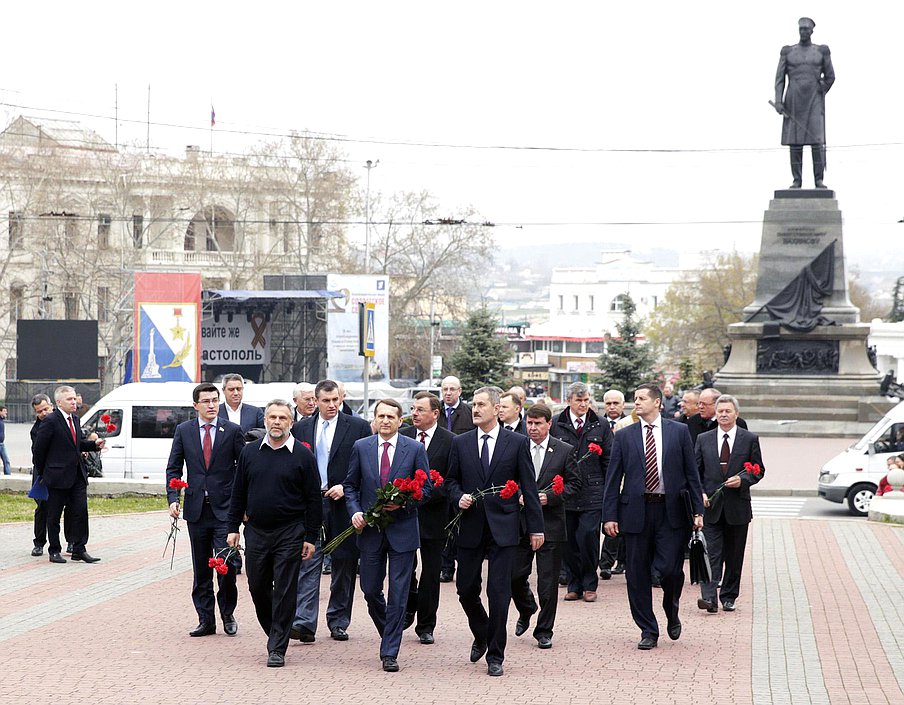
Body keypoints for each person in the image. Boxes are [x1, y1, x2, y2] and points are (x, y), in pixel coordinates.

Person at [445, 386, 545, 677]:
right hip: (471, 526)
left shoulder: (516, 443)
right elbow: (450, 481)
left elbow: (528, 486)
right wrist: (458, 496)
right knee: (465, 589)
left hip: (504, 528)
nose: (475, 409)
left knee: (498, 592)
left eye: (481, 405)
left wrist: (536, 528)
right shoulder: (460, 443)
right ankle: (483, 632)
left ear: (496, 409)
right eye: (473, 405)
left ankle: (496, 655)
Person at [603, 383, 704, 650]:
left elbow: (691, 473)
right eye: (634, 398)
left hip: (671, 512)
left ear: (657, 402)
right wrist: (609, 516)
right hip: (636, 512)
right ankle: (648, 629)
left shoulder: (679, 432)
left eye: (641, 398)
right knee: (636, 574)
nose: (636, 402)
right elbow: (613, 480)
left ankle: (671, 610)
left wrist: (697, 510)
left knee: (670, 570)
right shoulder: (625, 436)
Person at [227, 400, 322, 667]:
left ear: (291, 423)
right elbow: (238, 492)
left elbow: (314, 499)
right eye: (272, 417)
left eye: (282, 417)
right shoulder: (250, 453)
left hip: (291, 531)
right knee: (257, 585)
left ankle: (277, 646)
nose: (277, 422)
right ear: (265, 421)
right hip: (256, 530)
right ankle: (276, 630)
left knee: (285, 587)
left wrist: (310, 537)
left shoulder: (303, 455)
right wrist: (232, 527)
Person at [344, 399, 432, 672]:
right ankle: (389, 631)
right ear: (374, 419)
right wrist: (355, 511)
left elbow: (426, 489)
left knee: (399, 591)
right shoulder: (362, 447)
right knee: (370, 589)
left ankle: (389, 651)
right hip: (370, 531)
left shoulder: (414, 449)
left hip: (402, 531)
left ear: (400, 420)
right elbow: (350, 485)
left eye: (390, 417)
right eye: (380, 416)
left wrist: (404, 503)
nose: (385, 421)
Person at [290, 379, 372, 643]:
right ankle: (304, 622)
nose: (332, 405)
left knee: (344, 563)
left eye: (336, 400)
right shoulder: (302, 428)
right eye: (326, 401)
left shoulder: (357, 427)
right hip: (311, 504)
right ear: (315, 401)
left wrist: (345, 486)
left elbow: (364, 465)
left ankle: (338, 620)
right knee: (308, 560)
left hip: (342, 502)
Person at [166, 383, 245, 637]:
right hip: (197, 510)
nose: (211, 405)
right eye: (206, 401)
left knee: (226, 566)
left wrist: (242, 505)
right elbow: (174, 467)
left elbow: (244, 470)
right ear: (195, 405)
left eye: (215, 400)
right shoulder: (184, 431)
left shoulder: (231, 430)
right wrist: (172, 498)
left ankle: (227, 614)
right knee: (201, 568)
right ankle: (205, 618)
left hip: (225, 511)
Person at [511, 403, 579, 649]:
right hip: (521, 523)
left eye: (538, 423)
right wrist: (519, 493)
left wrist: (549, 497)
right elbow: (507, 477)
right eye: (529, 423)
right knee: (514, 575)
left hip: (551, 523)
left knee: (548, 583)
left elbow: (574, 484)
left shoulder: (563, 450)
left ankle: (544, 630)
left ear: (549, 424)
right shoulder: (517, 446)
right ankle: (527, 607)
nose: (533, 428)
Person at [696, 395, 764, 613]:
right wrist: (701, 494)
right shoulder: (703, 439)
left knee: (734, 556)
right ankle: (709, 598)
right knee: (711, 553)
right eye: (720, 411)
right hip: (711, 508)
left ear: (736, 414)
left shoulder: (749, 439)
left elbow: (758, 469)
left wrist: (743, 480)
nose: (723, 415)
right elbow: (695, 472)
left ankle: (728, 595)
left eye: (728, 411)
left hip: (737, 508)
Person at [399, 391, 454, 645]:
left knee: (431, 572)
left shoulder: (450, 441)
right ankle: (407, 609)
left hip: (434, 515)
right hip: (404, 515)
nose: (415, 413)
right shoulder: (404, 436)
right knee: (404, 569)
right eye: (413, 408)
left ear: (435, 413)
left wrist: (426, 493)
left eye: (420, 409)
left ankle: (426, 624)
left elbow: (452, 480)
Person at [550, 381, 611, 603]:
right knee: (569, 540)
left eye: (586, 400)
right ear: (569, 401)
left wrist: (607, 490)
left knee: (588, 536)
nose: (584, 405)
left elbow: (608, 459)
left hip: (593, 492)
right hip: (565, 492)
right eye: (579, 400)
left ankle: (589, 583)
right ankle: (574, 583)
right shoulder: (557, 423)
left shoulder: (600, 424)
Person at [33, 385, 105, 564]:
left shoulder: (75, 419)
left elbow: (76, 444)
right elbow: (39, 451)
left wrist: (94, 445)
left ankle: (79, 549)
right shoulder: (50, 421)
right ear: (58, 402)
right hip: (57, 477)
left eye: (74, 399)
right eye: (69, 400)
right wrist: (45, 473)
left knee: (80, 511)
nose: (74, 402)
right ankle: (54, 550)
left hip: (77, 475)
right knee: (54, 515)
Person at [774, 17, 835, 189]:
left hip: (814, 99)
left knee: (817, 140)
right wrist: (779, 100)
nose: (803, 32)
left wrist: (822, 88)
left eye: (806, 29)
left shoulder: (821, 51)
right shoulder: (788, 52)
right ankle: (797, 180)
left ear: (812, 31)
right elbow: (779, 79)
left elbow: (830, 76)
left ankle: (818, 180)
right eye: (801, 29)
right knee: (795, 142)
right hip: (793, 99)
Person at [599, 389, 628, 579]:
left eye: (616, 403)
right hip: (604, 481)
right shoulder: (599, 425)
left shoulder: (631, 424)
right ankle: (606, 563)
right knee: (610, 520)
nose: (612, 407)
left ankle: (623, 561)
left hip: (627, 480)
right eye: (608, 403)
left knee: (626, 521)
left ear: (623, 405)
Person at [29, 393, 58, 556]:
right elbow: (38, 453)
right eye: (39, 411)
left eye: (45, 409)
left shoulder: (61, 421)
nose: (43, 413)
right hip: (43, 472)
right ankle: (39, 543)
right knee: (42, 508)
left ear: (51, 405)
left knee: (67, 507)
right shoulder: (36, 430)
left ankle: (71, 542)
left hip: (62, 471)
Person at [0, 405, 10, 475]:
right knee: (6, 460)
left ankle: (8, 475)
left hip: (1, 443)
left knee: (6, 461)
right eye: (4, 411)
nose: (6, 412)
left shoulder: (1, 420)